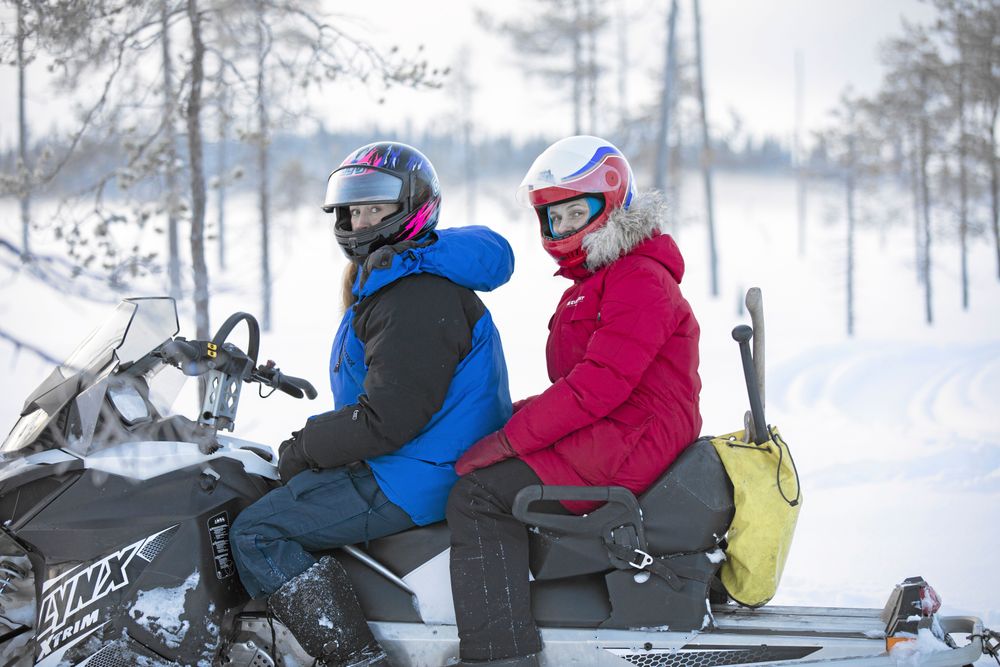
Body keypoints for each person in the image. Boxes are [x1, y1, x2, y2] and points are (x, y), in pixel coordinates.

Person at [230, 141, 514, 667]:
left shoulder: (415, 294)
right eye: (352, 209)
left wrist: (307, 447)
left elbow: (391, 418)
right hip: (419, 457)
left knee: (256, 531)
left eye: (374, 208)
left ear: (410, 209)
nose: (360, 222)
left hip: (418, 472)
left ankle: (356, 657)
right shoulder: (400, 278)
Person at [445, 136, 702, 667]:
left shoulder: (638, 277)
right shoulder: (601, 277)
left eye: (573, 213)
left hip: (633, 437)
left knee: (480, 497)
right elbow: (586, 384)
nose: (560, 229)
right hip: (619, 427)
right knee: (490, 470)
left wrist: (507, 439)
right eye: (552, 217)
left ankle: (500, 656)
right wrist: (507, 417)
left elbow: (597, 386)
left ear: (612, 204)